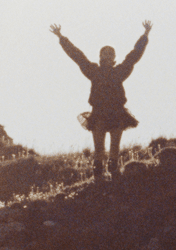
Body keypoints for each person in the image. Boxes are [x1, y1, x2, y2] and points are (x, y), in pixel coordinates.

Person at [50, 20, 152, 179]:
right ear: (100, 56)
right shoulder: (94, 71)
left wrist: (145, 35)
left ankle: (114, 174)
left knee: (114, 148)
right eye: (105, 53)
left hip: (117, 113)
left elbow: (134, 55)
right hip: (98, 114)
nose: (108, 55)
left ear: (114, 57)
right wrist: (61, 37)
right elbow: (77, 56)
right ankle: (98, 176)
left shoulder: (120, 71)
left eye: (111, 53)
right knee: (99, 149)